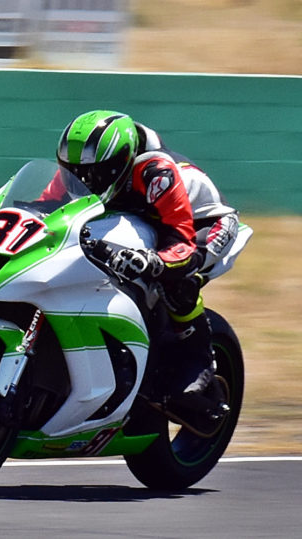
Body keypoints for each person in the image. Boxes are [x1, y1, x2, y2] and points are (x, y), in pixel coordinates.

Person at [56, 110, 241, 420]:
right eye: (73, 172)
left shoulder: (156, 173)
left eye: (92, 175)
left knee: (177, 279)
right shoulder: (81, 172)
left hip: (201, 225)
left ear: (121, 163)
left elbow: (181, 240)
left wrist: (155, 262)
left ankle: (196, 372)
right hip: (149, 217)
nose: (82, 182)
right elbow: (47, 208)